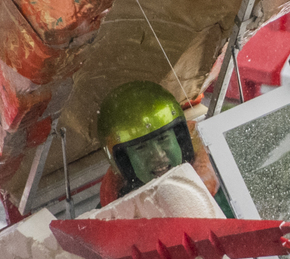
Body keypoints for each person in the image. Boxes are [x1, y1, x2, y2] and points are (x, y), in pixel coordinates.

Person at [95, 81, 230, 212]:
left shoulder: (229, 186)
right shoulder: (105, 218)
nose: (158, 155)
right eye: (141, 148)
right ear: (125, 162)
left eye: (163, 138)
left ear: (180, 140)